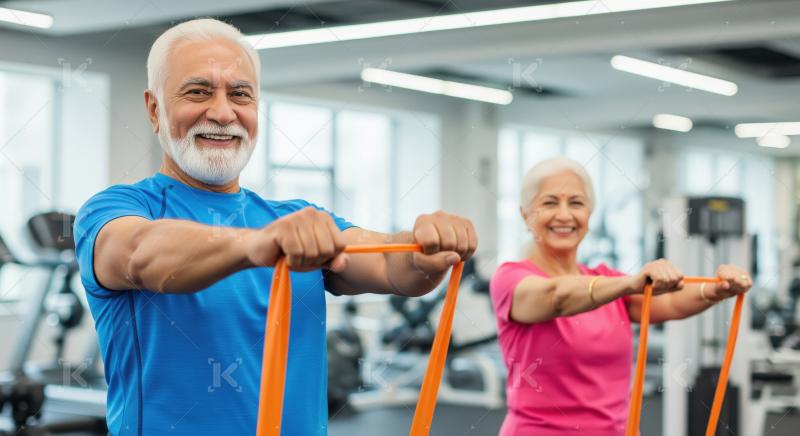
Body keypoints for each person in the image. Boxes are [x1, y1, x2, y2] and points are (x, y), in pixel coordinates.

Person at [73, 18, 477, 435]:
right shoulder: (117, 209)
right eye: (198, 91)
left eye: (240, 94)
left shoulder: (295, 217)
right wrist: (255, 245)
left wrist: (425, 249)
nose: (223, 112)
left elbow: (393, 267)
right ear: (155, 109)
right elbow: (141, 254)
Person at [489, 156, 751, 435]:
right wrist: (629, 283)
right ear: (525, 214)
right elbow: (556, 297)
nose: (564, 215)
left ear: (589, 213)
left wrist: (717, 289)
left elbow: (672, 302)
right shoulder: (510, 278)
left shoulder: (608, 279)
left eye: (576, 203)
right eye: (550, 202)